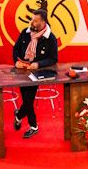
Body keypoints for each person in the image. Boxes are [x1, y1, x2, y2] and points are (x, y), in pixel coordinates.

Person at [11, 8, 58, 139]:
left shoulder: (51, 38)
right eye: (32, 19)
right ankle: (20, 116)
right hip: (21, 71)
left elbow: (53, 58)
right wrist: (16, 62)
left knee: (27, 100)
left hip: (36, 72)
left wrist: (38, 64)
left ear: (43, 23)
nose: (32, 22)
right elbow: (15, 49)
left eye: (35, 21)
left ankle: (31, 125)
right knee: (27, 100)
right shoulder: (25, 33)